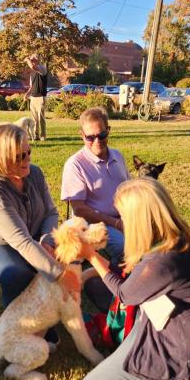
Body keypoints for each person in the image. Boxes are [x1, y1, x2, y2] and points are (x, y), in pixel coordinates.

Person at [79, 178, 190, 380]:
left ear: (139, 220)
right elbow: (135, 279)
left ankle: (173, 375)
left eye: (123, 216)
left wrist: (91, 256)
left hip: (176, 344)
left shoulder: (161, 262)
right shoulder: (177, 239)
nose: (120, 221)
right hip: (167, 323)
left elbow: (125, 294)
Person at [0, 123, 79, 343]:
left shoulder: (34, 173)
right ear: (0, 157)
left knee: (51, 259)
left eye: (28, 152)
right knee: (18, 272)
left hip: (24, 236)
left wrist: (46, 239)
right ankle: (17, 324)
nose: (27, 159)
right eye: (19, 156)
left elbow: (51, 212)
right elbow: (23, 243)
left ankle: (49, 313)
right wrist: (62, 277)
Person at [61, 107, 130, 265]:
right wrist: (117, 224)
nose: (97, 141)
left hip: (123, 218)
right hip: (95, 225)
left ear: (108, 130)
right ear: (82, 136)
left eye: (102, 135)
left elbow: (129, 191)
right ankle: (115, 280)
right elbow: (80, 210)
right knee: (124, 247)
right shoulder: (75, 164)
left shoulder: (118, 156)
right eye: (90, 137)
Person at [24, 54, 47, 141]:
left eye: (34, 58)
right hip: (33, 97)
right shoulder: (32, 72)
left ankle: (43, 136)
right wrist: (27, 94)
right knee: (34, 119)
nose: (32, 59)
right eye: (32, 58)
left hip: (41, 97)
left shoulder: (42, 68)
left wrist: (27, 60)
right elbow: (31, 86)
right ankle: (36, 136)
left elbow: (34, 67)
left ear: (39, 59)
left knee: (41, 118)